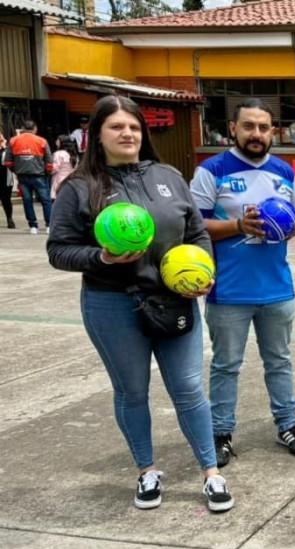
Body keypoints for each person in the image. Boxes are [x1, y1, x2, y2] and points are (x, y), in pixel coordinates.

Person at [46, 95, 234, 513]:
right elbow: (58, 250)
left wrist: (203, 271)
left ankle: (212, 472)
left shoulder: (167, 175)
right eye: (116, 127)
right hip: (112, 304)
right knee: (132, 391)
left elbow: (196, 232)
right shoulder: (79, 187)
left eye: (133, 126)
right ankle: (147, 471)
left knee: (188, 388)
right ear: (96, 136)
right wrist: (101, 258)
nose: (127, 133)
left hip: (174, 299)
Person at [189, 98, 295, 467]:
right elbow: (194, 226)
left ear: (272, 131)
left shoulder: (283, 170)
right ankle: (221, 433)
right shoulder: (212, 170)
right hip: (228, 290)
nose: (256, 134)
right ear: (233, 129)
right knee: (227, 365)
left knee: (280, 361)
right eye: (249, 127)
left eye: (263, 127)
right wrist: (239, 226)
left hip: (277, 287)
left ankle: (287, 424)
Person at [2, 119, 52, 234]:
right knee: (46, 201)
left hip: (22, 176)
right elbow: (49, 161)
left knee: (27, 201)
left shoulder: (13, 140)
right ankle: (49, 225)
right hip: (39, 175)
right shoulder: (42, 141)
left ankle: (33, 226)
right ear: (35, 129)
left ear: (23, 129)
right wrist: (47, 173)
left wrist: (16, 171)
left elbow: (7, 162)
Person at [0, 130, 13, 229]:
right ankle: (9, 219)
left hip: (5, 178)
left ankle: (9, 219)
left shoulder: (6, 149)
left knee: (6, 200)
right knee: (6, 200)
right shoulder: (6, 149)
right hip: (5, 178)